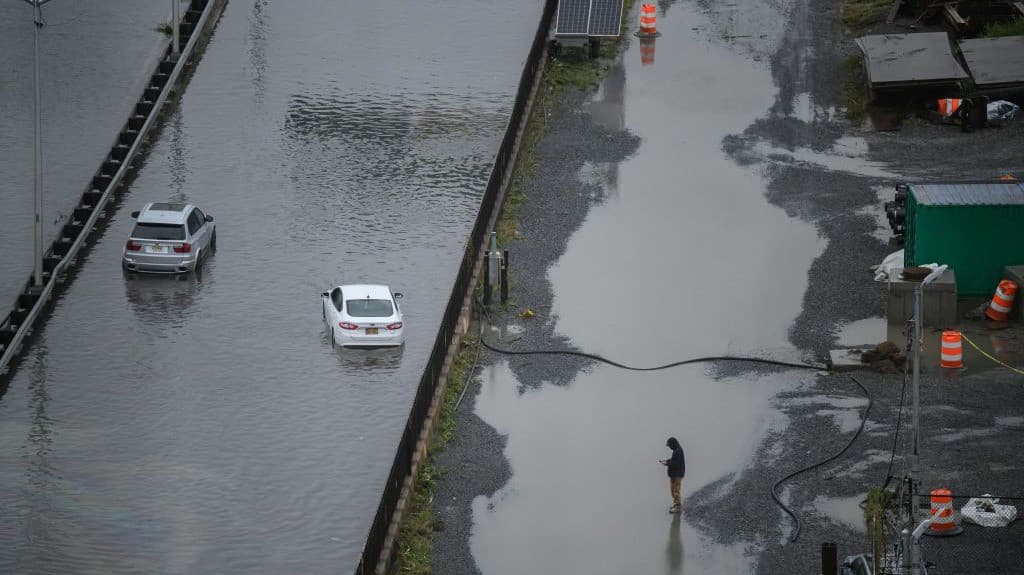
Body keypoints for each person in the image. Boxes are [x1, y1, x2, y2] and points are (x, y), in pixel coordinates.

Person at [659, 437, 686, 513]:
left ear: (672, 444)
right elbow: (674, 461)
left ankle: (677, 507)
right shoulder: (677, 450)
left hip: (677, 474)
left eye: (669, 445)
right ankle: (676, 504)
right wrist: (667, 461)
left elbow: (676, 464)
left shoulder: (678, 451)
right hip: (675, 474)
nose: (669, 447)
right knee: (673, 490)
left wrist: (667, 463)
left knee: (676, 490)